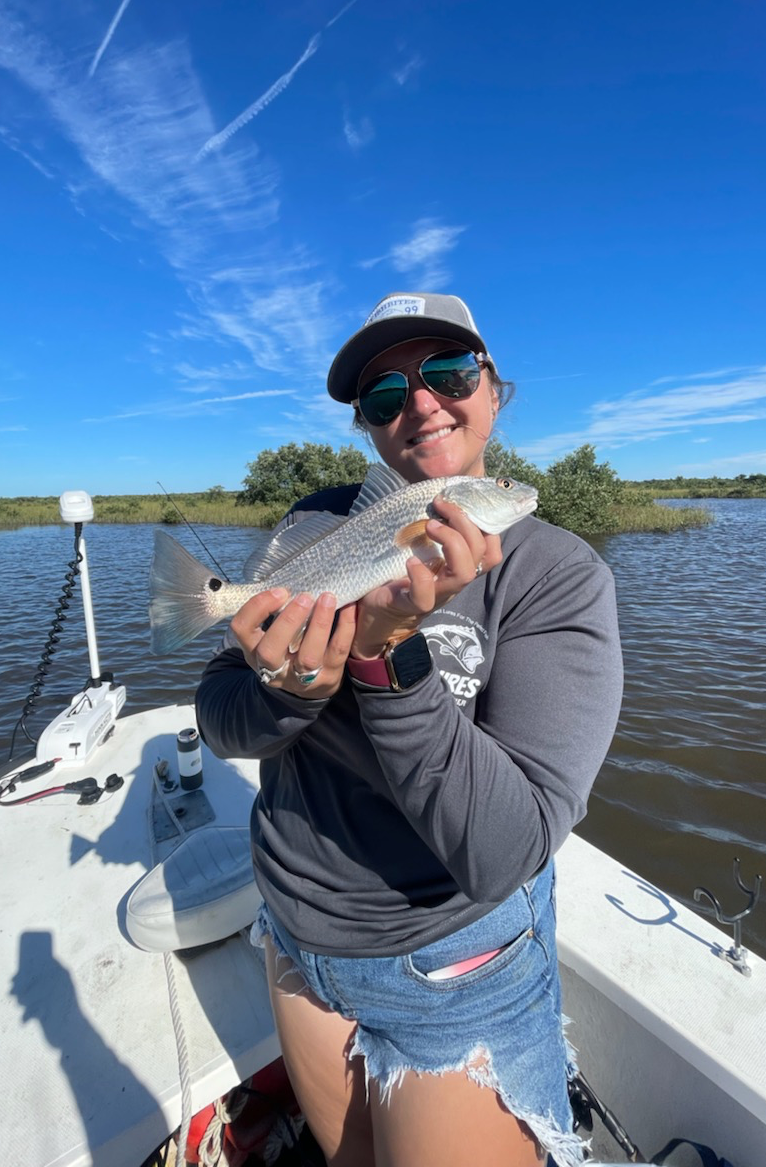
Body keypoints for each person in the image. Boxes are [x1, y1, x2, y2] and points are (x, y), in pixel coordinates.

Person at [195, 292, 623, 1167]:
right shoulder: (315, 524)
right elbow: (226, 721)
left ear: (494, 390)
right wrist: (290, 688)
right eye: (384, 396)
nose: (421, 403)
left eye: (448, 373)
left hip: (450, 961)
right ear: (367, 426)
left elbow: (506, 848)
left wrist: (388, 660)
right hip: (294, 927)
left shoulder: (558, 576)